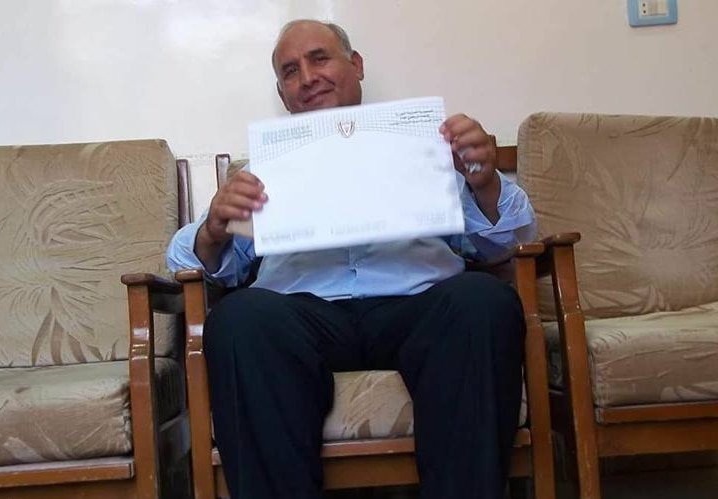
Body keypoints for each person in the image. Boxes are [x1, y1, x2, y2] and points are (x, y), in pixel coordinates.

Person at [167, 19, 536, 499]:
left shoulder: (428, 148)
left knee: (483, 302)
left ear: (356, 65)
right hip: (304, 313)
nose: (307, 77)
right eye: (290, 70)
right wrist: (214, 228)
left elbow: (508, 240)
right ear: (283, 94)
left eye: (320, 58)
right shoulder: (263, 172)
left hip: (419, 304)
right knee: (239, 319)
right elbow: (187, 264)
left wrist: (484, 181)